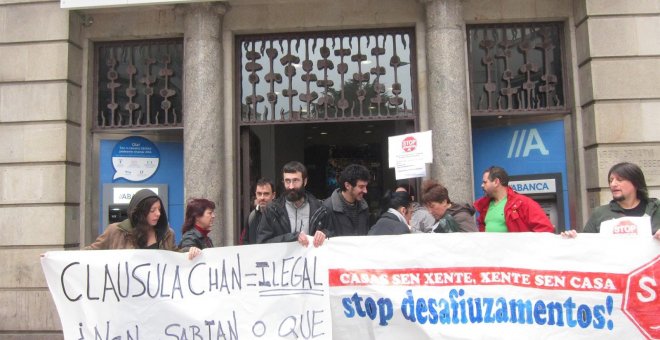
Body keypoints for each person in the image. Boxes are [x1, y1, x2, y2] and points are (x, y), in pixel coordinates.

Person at [257, 161, 331, 247]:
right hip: (282, 260)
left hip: (312, 260)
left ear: (305, 181)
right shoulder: (271, 210)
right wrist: (292, 238)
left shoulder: (321, 210)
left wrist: (324, 234)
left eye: (295, 180)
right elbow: (262, 244)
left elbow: (334, 237)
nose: (291, 186)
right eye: (287, 181)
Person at [579, 162, 660, 239]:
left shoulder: (656, 209)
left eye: (620, 180)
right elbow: (585, 245)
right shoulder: (599, 213)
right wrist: (572, 239)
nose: (613, 184)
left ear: (636, 183)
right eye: (611, 180)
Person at [85, 189, 177, 250]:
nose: (158, 214)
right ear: (141, 212)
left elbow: (178, 258)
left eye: (159, 209)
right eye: (152, 210)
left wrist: (190, 251)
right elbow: (92, 252)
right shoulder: (114, 231)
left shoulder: (168, 234)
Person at [474, 166, 554, 233]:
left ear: (496, 182)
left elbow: (545, 229)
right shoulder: (484, 206)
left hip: (517, 251)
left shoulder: (523, 203)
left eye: (485, 182)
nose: (482, 185)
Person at [324, 164, 371, 236]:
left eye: (365, 186)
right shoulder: (327, 208)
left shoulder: (364, 207)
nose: (365, 191)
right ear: (347, 185)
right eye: (361, 187)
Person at [241, 178, 276, 245]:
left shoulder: (281, 216)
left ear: (273, 195)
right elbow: (244, 241)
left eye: (266, 194)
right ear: (255, 194)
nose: (262, 198)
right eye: (259, 194)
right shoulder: (251, 216)